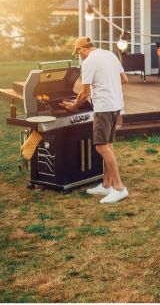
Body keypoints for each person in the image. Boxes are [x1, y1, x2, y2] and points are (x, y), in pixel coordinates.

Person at [63, 36, 129, 204]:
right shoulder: (110, 54)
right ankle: (106, 185)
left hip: (104, 108)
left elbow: (84, 94)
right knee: (108, 145)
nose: (80, 56)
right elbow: (124, 80)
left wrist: (73, 106)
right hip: (116, 105)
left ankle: (119, 188)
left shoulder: (89, 61)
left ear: (81, 49)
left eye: (78, 53)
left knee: (101, 147)